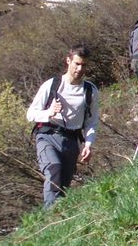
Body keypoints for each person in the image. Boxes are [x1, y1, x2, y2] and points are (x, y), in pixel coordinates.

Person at [26, 44, 100, 209]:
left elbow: (92, 121)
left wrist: (88, 144)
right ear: (68, 61)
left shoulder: (90, 91)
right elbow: (30, 113)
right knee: (54, 171)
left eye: (84, 65)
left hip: (71, 140)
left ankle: (57, 221)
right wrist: (49, 113)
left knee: (63, 187)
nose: (80, 69)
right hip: (47, 135)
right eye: (77, 63)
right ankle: (48, 216)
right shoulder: (52, 85)